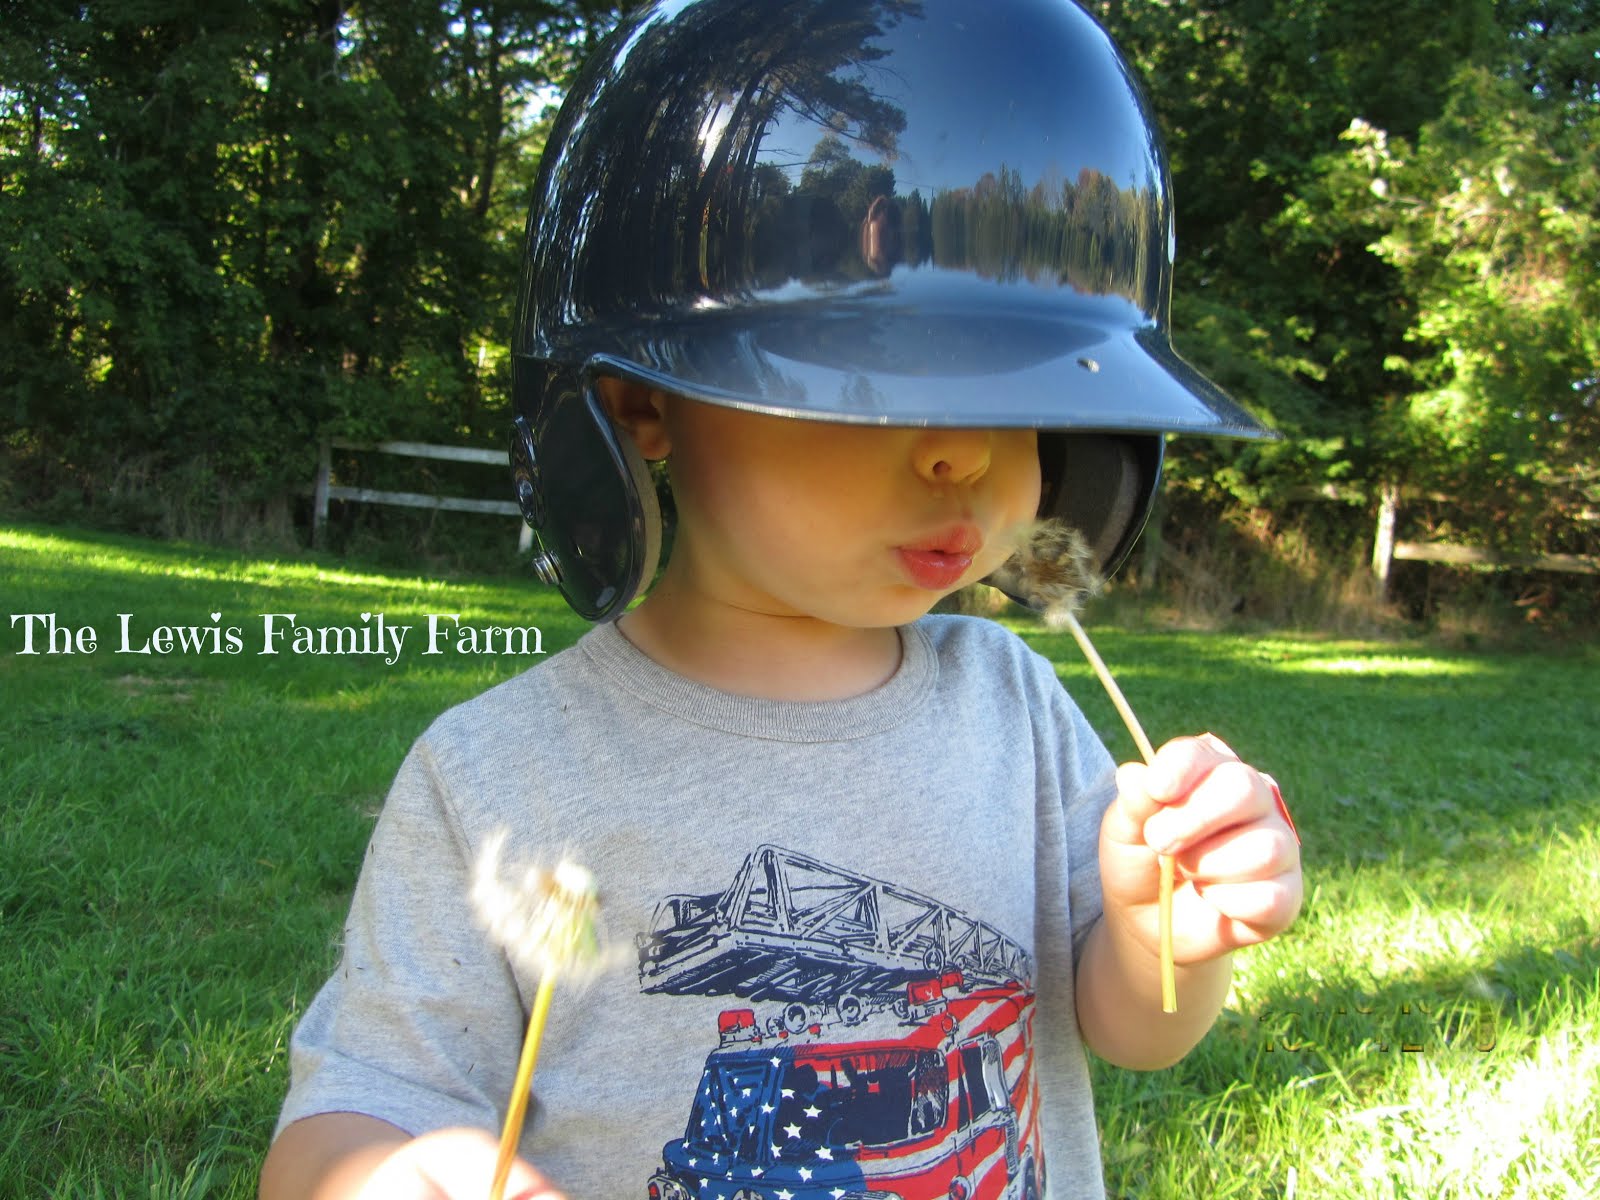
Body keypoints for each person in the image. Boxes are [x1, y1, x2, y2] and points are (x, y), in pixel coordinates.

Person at [260, 1, 1304, 1197]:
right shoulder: (494, 774)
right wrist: (375, 1178)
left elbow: (1132, 1026)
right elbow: (360, 1107)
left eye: (1013, 389)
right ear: (645, 404)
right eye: (872, 382)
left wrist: (1165, 938)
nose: (960, 453)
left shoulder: (1013, 707)